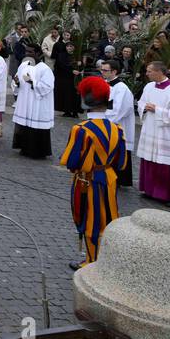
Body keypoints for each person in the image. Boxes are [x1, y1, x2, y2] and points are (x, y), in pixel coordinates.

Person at [60, 77, 128, 270]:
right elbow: (122, 163)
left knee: (90, 218)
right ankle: (107, 257)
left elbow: (72, 162)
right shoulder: (117, 129)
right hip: (109, 178)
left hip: (86, 180)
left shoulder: (81, 129)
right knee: (109, 217)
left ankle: (91, 260)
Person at [135, 60, 170, 204]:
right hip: (151, 130)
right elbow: (141, 102)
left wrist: (158, 110)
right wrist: (144, 107)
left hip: (169, 133)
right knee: (151, 160)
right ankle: (150, 190)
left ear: (159, 72)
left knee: (168, 164)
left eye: (149, 71)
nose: (146, 73)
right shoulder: (148, 86)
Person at [12, 46, 55, 158]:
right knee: (25, 126)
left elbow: (48, 86)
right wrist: (16, 82)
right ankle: (24, 148)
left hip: (38, 103)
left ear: (38, 53)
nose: (28, 54)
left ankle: (37, 151)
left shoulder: (45, 69)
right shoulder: (23, 65)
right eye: (26, 51)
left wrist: (33, 83)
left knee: (36, 126)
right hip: (25, 101)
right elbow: (16, 81)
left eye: (30, 52)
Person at [100, 58, 135, 188]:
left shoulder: (122, 89)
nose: (102, 72)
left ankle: (119, 179)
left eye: (105, 70)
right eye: (101, 69)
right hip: (106, 121)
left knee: (118, 150)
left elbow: (119, 110)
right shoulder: (104, 83)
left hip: (117, 124)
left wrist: (104, 120)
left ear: (114, 71)